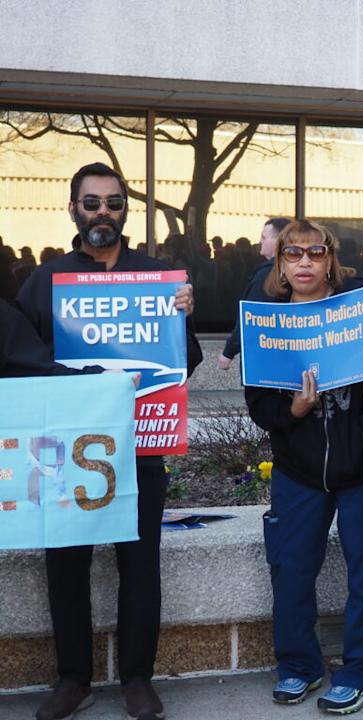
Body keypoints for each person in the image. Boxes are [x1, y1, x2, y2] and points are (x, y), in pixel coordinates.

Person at [16, 162, 202, 720]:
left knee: (140, 563)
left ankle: (138, 678)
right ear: (73, 208)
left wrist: (181, 321)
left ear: (127, 209)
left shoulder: (158, 277)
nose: (104, 213)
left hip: (141, 443)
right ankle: (73, 678)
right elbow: (19, 358)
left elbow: (183, 363)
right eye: (92, 202)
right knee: (65, 563)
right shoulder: (44, 280)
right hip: (67, 446)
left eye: (114, 203)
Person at [245, 220, 363, 714]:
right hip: (299, 470)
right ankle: (299, 666)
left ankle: (359, 672)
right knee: (290, 570)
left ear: (331, 259)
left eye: (315, 252)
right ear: (281, 264)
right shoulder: (266, 322)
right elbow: (258, 404)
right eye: (294, 253)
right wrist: (293, 411)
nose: (305, 262)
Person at [219, 217, 291, 369]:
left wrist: (229, 351)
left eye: (264, 238)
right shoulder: (292, 271)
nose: (260, 241)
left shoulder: (268, 274)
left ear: (279, 241)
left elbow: (251, 316)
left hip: (263, 358)